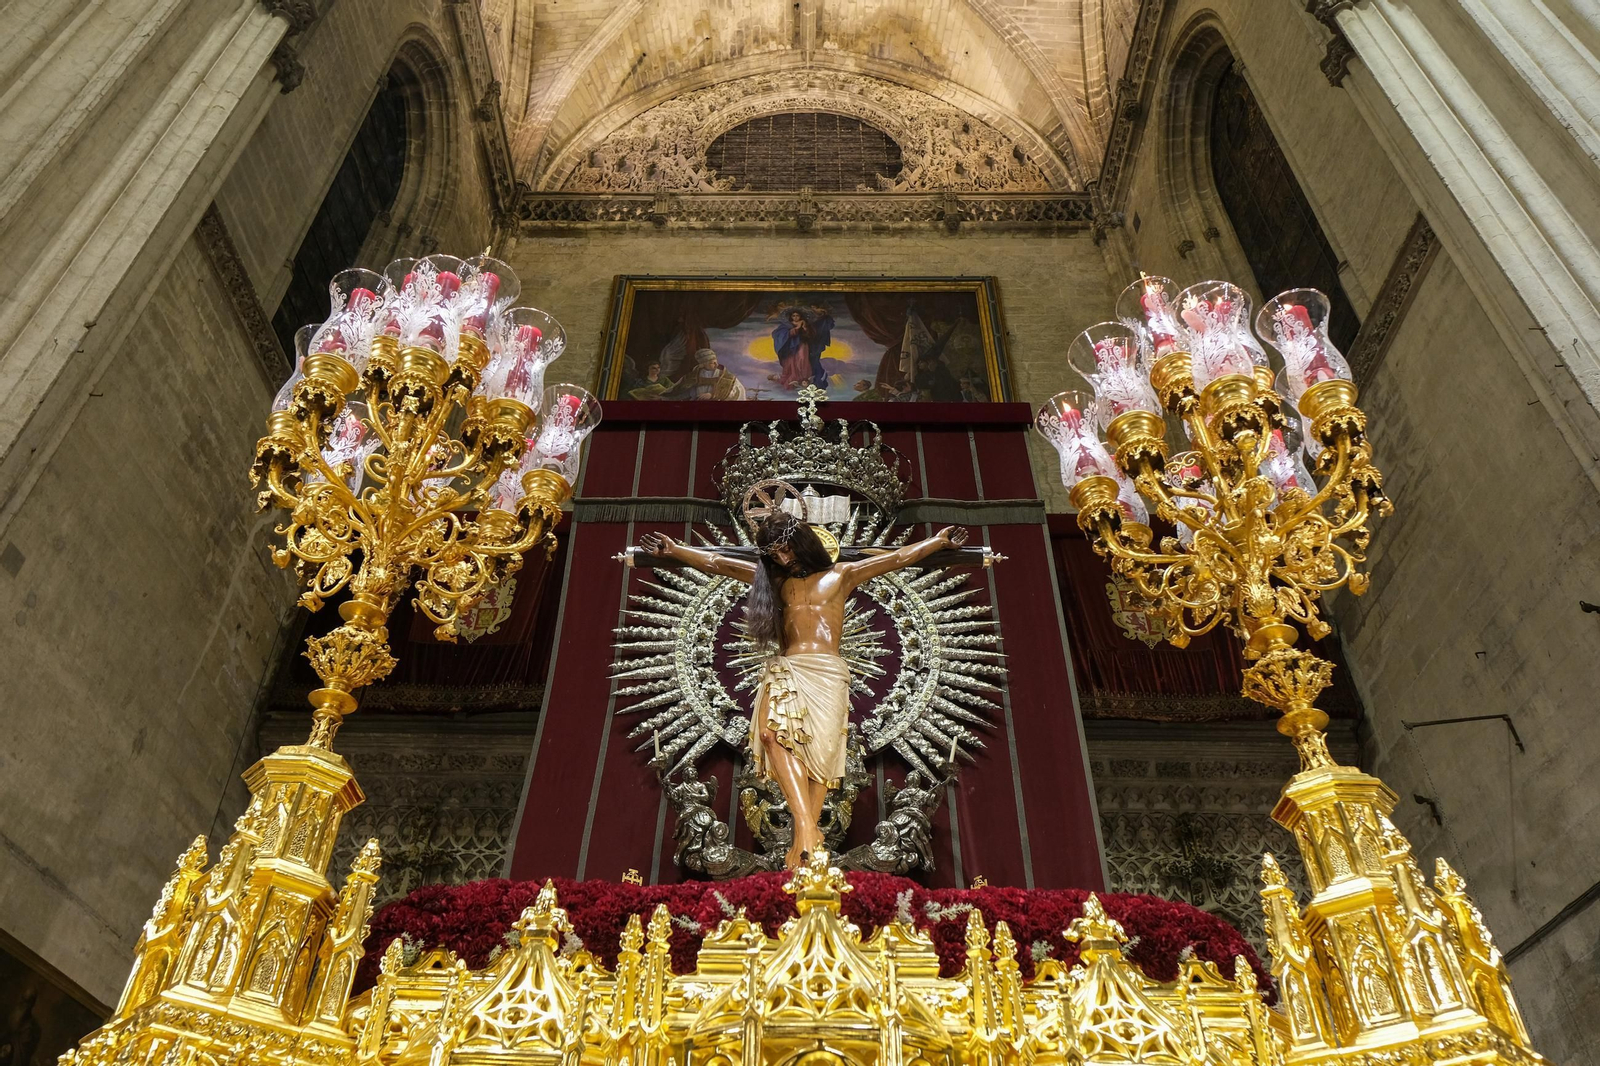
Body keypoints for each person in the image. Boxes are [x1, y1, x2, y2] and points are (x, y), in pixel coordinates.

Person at [638, 516, 967, 868]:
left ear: (804, 543)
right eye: (774, 554)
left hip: (827, 672)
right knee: (769, 734)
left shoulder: (841, 575)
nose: (782, 559)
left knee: (819, 759)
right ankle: (809, 830)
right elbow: (719, 563)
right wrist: (674, 550)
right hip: (790, 666)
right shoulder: (776, 583)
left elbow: (897, 559)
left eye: (786, 549)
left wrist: (938, 542)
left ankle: (805, 844)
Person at [770, 306, 835, 389]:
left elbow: (811, 334)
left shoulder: (804, 323)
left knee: (802, 359)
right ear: (791, 317)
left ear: (800, 316)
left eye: (797, 315)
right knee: (791, 362)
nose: (796, 317)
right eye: (793, 316)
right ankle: (793, 379)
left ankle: (803, 379)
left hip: (802, 345)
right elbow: (779, 334)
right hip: (791, 347)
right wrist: (796, 329)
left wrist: (804, 328)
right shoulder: (786, 325)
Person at [666, 347, 746, 400]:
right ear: (703, 364)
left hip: (719, 409)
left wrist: (712, 395)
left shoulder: (727, 377)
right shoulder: (692, 376)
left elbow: (736, 393)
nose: (716, 365)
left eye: (716, 362)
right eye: (712, 363)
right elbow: (680, 391)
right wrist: (663, 398)